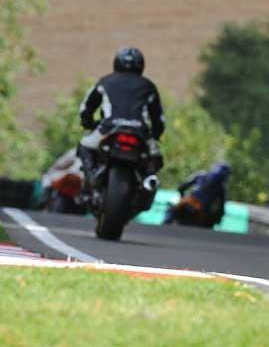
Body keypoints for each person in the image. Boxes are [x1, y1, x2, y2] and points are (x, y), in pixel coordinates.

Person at [77, 47, 165, 179]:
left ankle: (92, 173)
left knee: (84, 146)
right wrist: (156, 134)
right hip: (141, 132)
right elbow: (158, 117)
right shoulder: (149, 86)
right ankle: (149, 180)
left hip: (109, 129)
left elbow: (87, 107)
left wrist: (87, 123)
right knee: (155, 157)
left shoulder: (105, 81)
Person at [165, 162, 231, 227]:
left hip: (193, 204)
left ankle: (166, 223)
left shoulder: (201, 175)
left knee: (171, 211)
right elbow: (221, 207)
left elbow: (181, 187)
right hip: (200, 209)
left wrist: (183, 197)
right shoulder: (221, 187)